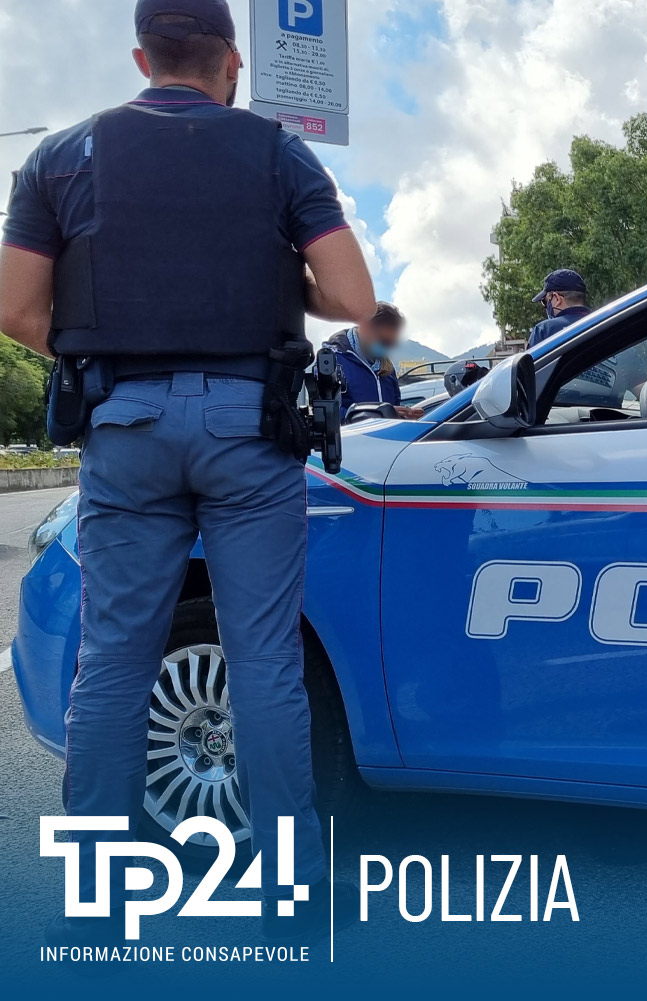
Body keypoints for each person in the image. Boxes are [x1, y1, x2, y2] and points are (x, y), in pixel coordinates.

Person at [0, 0, 376, 946]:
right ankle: (291, 891)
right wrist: (265, 285)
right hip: (249, 426)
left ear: (143, 58)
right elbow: (351, 296)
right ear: (231, 64)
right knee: (264, 661)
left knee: (113, 661)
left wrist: (107, 357)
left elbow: (15, 308)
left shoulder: (61, 157)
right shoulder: (279, 153)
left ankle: (98, 905)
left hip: (122, 426)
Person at [326, 301, 422, 418]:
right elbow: (326, 411)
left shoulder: (387, 368)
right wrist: (373, 416)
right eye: (384, 342)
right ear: (365, 327)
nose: (387, 348)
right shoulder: (331, 361)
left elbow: (393, 406)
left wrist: (404, 416)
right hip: (353, 431)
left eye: (392, 344)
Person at [527, 268, 592, 347]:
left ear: (557, 298)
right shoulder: (601, 323)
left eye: (545, 302)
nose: (546, 306)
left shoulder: (544, 330)